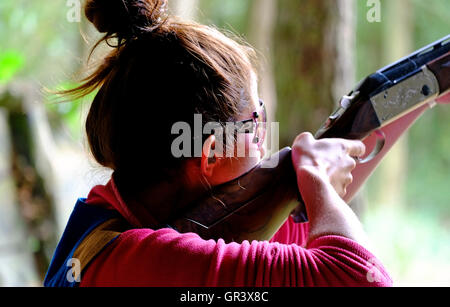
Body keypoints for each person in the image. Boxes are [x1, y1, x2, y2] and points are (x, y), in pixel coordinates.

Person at [44, 0, 392, 287]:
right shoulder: (143, 261)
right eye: (256, 120)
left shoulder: (111, 219)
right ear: (212, 153)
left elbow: (302, 232)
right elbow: (360, 279)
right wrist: (315, 178)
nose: (264, 135)